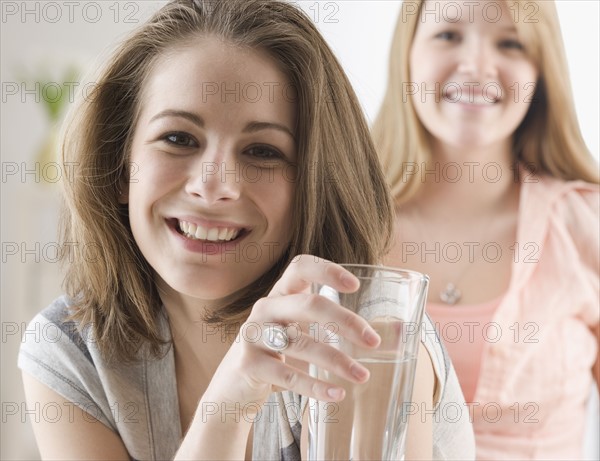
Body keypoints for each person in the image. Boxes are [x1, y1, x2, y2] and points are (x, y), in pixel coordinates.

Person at [18, 1, 475, 459]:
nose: (213, 187)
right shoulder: (68, 349)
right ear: (120, 168)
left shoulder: (367, 331)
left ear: (314, 187)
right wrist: (228, 405)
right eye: (178, 139)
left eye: (262, 152)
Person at [373, 0, 600, 459]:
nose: (477, 65)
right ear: (407, 54)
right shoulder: (340, 221)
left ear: (541, 71)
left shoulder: (585, 224)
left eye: (510, 42)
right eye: (448, 35)